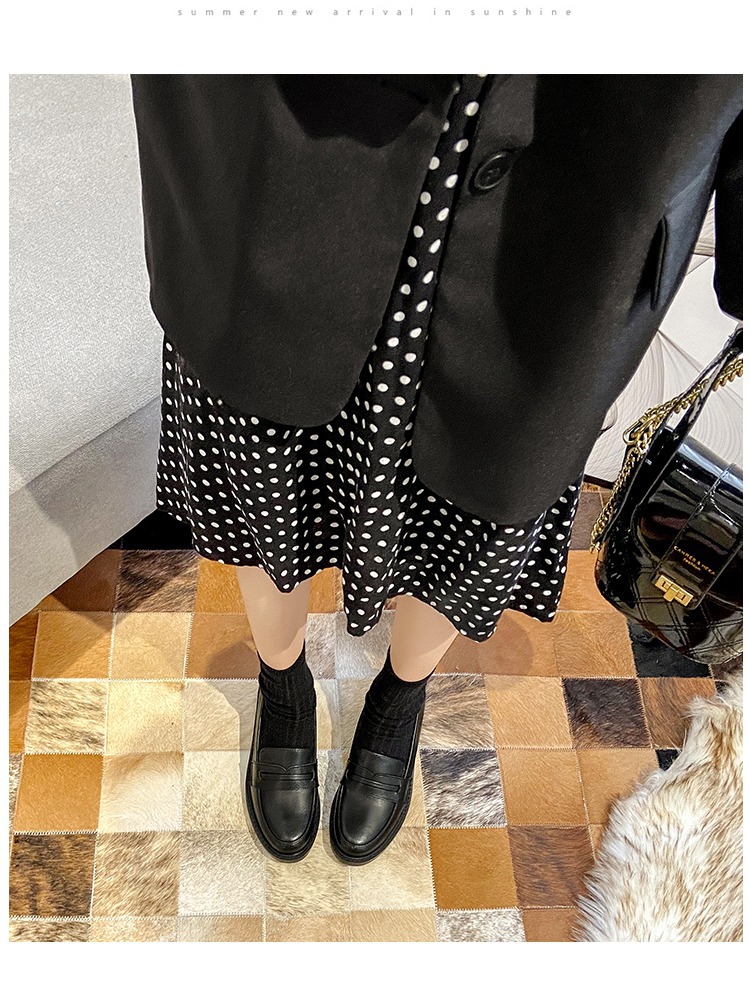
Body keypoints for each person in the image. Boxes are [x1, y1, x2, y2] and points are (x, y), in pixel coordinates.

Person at [129, 74, 742, 864]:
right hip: (286, 154)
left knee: (486, 492)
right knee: (265, 455)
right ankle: (283, 681)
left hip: (576, 205)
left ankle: (401, 695)